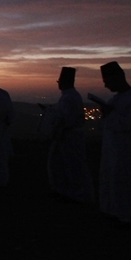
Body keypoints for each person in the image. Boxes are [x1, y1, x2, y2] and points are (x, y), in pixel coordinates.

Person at [97, 61, 131, 227]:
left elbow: (129, 124)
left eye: (107, 81)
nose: (106, 85)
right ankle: (118, 212)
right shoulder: (115, 99)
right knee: (114, 182)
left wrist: (110, 114)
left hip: (130, 150)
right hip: (113, 150)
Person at [46, 67, 94, 204]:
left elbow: (67, 119)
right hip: (67, 136)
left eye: (60, 81)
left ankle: (78, 194)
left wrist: (57, 128)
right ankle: (67, 191)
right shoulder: (70, 96)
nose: (58, 83)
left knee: (73, 165)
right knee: (62, 164)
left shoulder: (69, 97)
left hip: (69, 136)